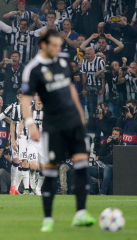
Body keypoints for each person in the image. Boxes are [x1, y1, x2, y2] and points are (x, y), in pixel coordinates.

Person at [21, 29, 96, 232]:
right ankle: (48, 218)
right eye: (54, 46)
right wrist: (30, 123)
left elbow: (71, 88)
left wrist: (81, 114)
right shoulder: (33, 69)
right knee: (51, 172)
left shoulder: (63, 61)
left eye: (60, 46)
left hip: (73, 122)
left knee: (81, 165)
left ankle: (80, 213)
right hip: (53, 126)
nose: (59, 49)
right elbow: (26, 99)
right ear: (43, 46)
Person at [89, 127, 124, 195]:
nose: (113, 136)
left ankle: (102, 193)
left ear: (120, 137)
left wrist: (100, 158)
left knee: (107, 168)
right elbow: (98, 153)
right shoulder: (108, 143)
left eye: (116, 134)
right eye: (113, 134)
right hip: (102, 167)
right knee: (85, 169)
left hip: (113, 168)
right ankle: (90, 192)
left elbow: (111, 158)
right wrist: (106, 143)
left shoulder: (121, 145)